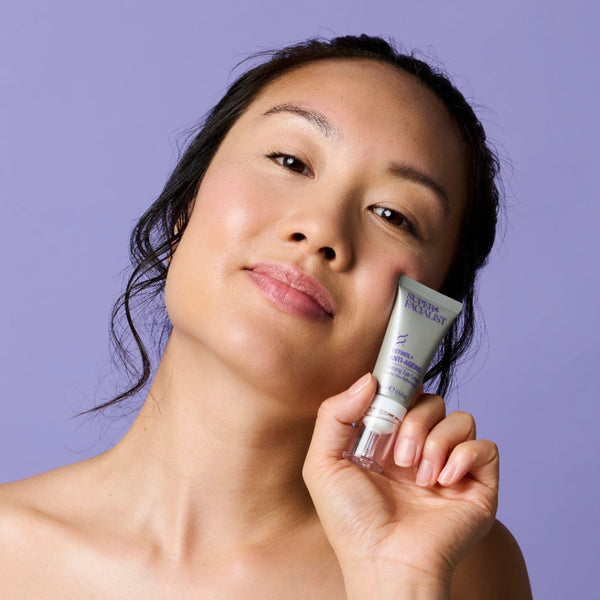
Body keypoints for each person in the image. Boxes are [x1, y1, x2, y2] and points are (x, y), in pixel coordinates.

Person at [0, 35, 532, 598]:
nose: (322, 228)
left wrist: (399, 578)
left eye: (392, 214)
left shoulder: (461, 567)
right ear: (187, 204)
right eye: (290, 160)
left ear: (427, 313)